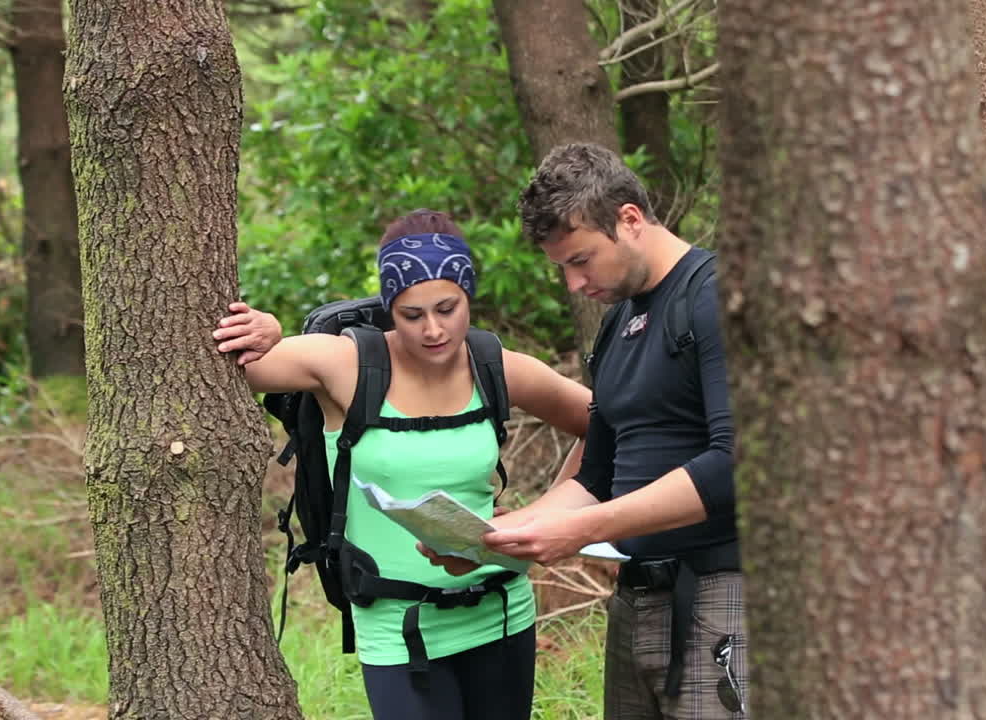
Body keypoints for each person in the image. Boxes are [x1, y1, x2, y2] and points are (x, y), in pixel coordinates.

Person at [211, 209, 591, 720]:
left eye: (448, 308)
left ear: (468, 296)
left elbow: (608, 426)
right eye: (412, 315)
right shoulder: (345, 365)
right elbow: (228, 364)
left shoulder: (493, 366)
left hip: (502, 614)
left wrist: (545, 515)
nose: (434, 329)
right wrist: (267, 329)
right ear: (390, 307)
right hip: (396, 625)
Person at [476, 143, 746, 718]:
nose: (575, 284)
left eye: (581, 260)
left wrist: (583, 530)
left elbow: (736, 464)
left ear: (629, 219)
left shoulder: (717, 295)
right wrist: (492, 539)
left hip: (723, 592)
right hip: (636, 599)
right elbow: (598, 473)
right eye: (563, 269)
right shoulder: (618, 324)